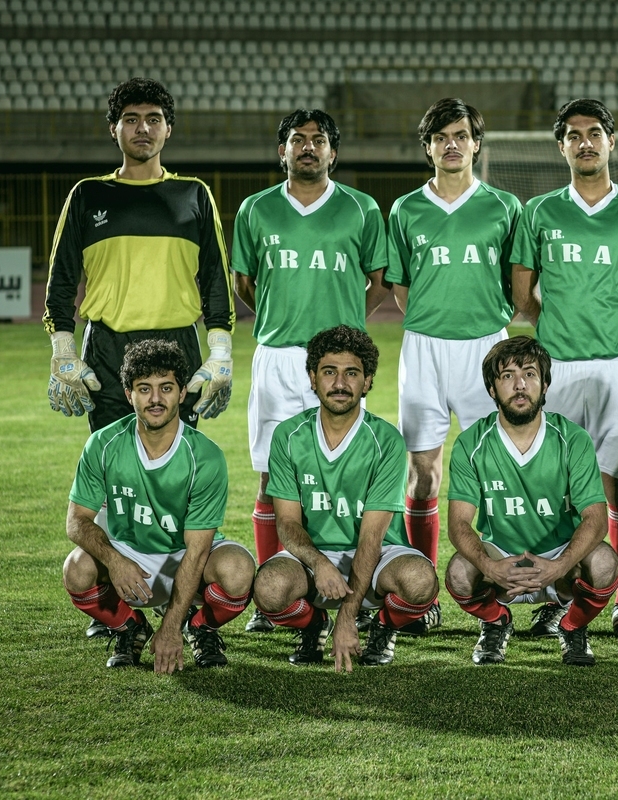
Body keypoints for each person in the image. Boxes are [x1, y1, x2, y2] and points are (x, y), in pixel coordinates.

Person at [511, 98, 618, 641]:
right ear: (561, 147)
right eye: (574, 135)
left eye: (595, 133)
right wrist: (560, 328)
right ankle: (559, 597)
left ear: (611, 141)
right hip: (558, 366)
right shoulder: (538, 212)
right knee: (560, 487)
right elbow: (522, 297)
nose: (585, 142)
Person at [231, 109, 391, 634]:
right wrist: (287, 321)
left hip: (338, 363)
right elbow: (245, 283)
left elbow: (377, 280)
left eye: (318, 140)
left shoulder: (363, 209)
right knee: (269, 479)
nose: (307, 147)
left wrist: (336, 338)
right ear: (282, 152)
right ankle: (277, 591)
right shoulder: (255, 210)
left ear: (333, 153)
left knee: (354, 472)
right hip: (278, 357)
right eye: (297, 140)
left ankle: (361, 589)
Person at [385, 98, 523, 633]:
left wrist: (483, 322)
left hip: (486, 347)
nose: (451, 144)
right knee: (422, 473)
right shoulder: (405, 209)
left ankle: (508, 578)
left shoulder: (504, 207)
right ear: (428, 146)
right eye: (441, 136)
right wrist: (435, 319)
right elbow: (401, 288)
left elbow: (516, 282)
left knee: (501, 469)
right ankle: (423, 591)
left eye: (461, 135)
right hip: (423, 347)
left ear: (476, 143)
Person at [44, 77, 234, 435]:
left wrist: (221, 352)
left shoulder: (194, 195)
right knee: (112, 464)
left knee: (175, 466)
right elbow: (62, 279)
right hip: (107, 348)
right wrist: (63, 350)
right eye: (131, 119)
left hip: (177, 345)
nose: (143, 128)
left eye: (153, 118)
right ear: (113, 129)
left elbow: (215, 279)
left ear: (168, 129)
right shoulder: (87, 195)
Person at [249, 326, 438, 670]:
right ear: (312, 379)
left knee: (420, 581)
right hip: (312, 554)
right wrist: (320, 563)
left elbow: (371, 538)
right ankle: (313, 625)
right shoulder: (288, 436)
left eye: (351, 373)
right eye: (329, 372)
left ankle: (383, 626)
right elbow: (288, 525)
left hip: (378, 554)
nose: (340, 383)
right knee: (269, 589)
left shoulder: (386, 441)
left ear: (367, 382)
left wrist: (348, 617)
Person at [61, 339, 254, 672]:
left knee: (238, 570)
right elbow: (76, 522)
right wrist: (114, 560)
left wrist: (173, 627)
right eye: (144, 389)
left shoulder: (205, 456)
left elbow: (197, 551)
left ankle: (200, 628)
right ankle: (130, 628)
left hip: (185, 554)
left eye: (166, 388)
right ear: (128, 395)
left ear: (181, 393)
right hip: (129, 555)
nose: (155, 399)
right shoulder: (103, 445)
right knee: (76, 569)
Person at [444, 336, 618, 666]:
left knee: (604, 563)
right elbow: (458, 523)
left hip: (559, 557)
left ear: (545, 384)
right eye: (507, 376)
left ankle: (572, 626)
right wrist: (489, 566)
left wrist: (561, 565)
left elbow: (596, 517)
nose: (520, 385)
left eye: (529, 374)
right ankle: (496, 621)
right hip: (501, 556)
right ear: (492, 389)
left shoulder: (572, 439)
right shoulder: (472, 443)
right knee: (458, 572)